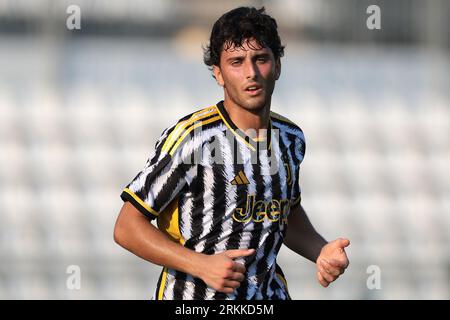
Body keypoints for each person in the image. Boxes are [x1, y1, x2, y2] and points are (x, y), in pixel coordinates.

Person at [114, 6, 350, 300]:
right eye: (236, 62)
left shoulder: (291, 139)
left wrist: (320, 251)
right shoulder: (194, 139)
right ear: (219, 74)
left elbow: (284, 211)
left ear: (277, 66)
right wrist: (201, 265)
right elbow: (126, 226)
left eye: (261, 59)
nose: (251, 73)